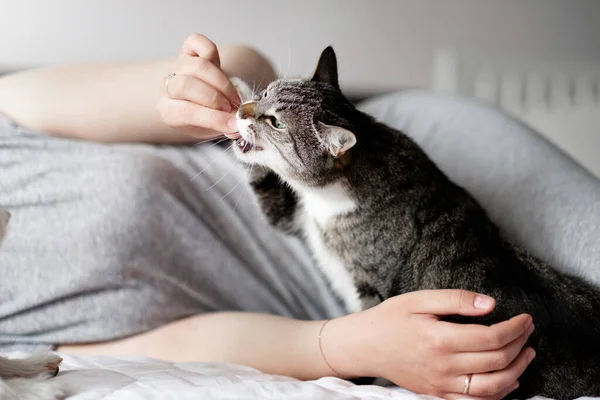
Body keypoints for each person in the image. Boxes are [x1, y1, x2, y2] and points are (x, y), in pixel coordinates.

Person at [0, 34, 599, 400]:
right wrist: (353, 346)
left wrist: (201, 86)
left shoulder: (8, 117)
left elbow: (242, 66)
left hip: (398, 172)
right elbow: (179, 346)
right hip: (368, 308)